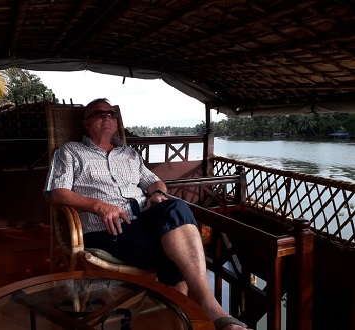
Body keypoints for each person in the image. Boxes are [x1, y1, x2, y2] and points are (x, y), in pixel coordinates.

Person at [44, 98, 249, 330]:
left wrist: (157, 194)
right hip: (108, 226)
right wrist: (99, 206)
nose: (108, 118)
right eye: (100, 114)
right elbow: (56, 193)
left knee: (177, 207)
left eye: (111, 114)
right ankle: (196, 312)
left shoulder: (129, 154)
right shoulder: (70, 152)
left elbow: (155, 182)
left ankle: (196, 307)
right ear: (86, 122)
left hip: (143, 217)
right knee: (170, 252)